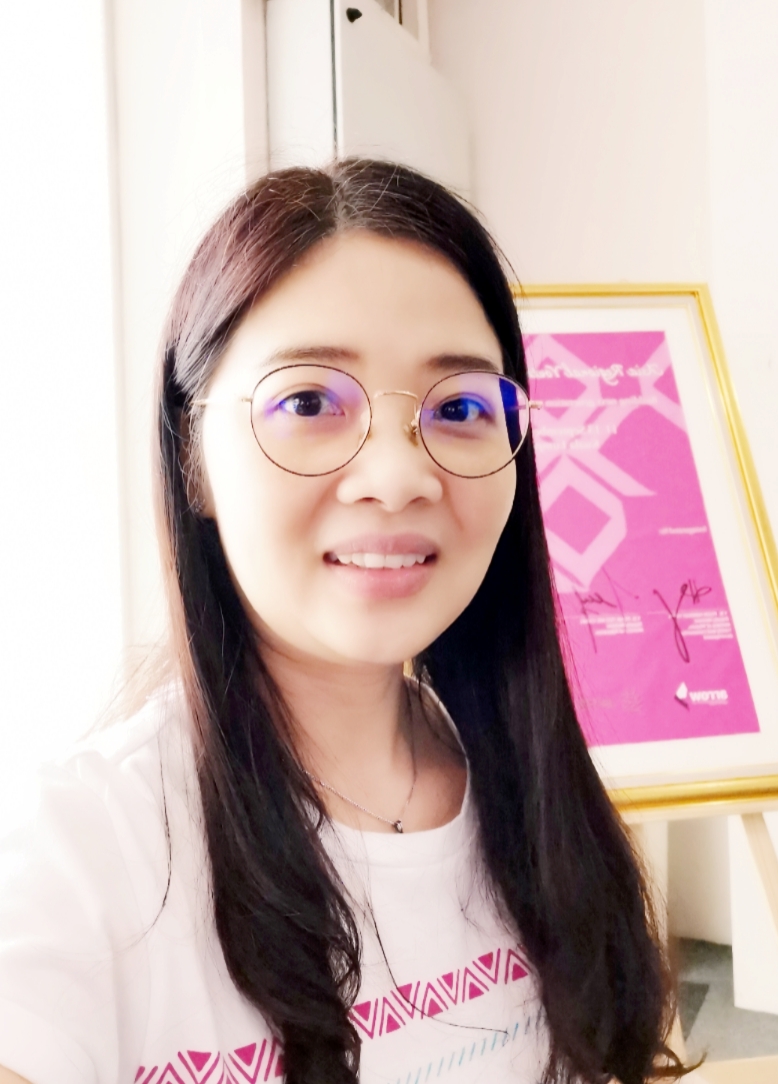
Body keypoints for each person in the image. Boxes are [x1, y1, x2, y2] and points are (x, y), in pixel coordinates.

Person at [0, 159, 688, 1084]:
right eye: (309, 401)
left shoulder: (534, 797)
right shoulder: (81, 859)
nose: (399, 477)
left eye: (460, 407)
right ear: (193, 457)